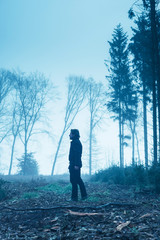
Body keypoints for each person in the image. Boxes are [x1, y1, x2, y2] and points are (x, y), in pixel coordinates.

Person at [68, 129, 87, 201]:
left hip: (75, 164)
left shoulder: (75, 143)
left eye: (70, 134)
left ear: (74, 134)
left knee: (74, 180)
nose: (69, 135)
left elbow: (77, 154)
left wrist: (76, 164)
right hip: (74, 164)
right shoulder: (76, 142)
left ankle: (74, 197)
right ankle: (83, 196)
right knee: (77, 180)